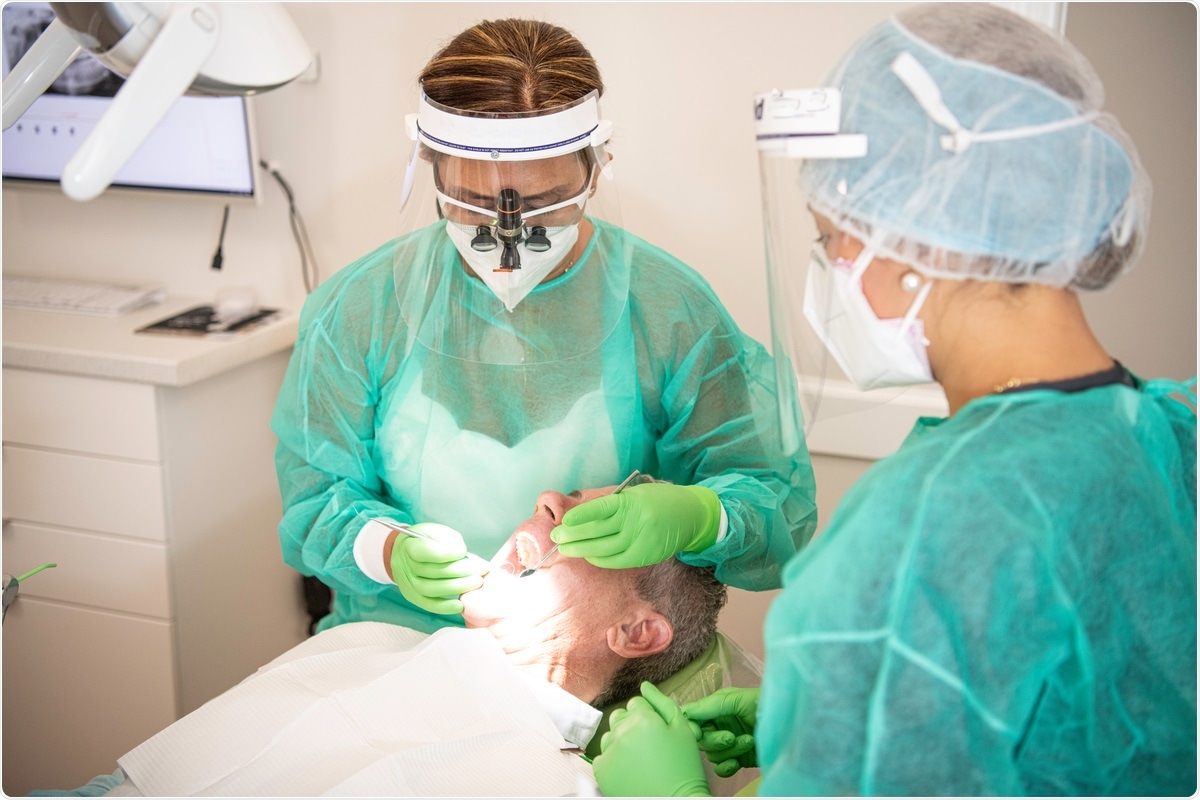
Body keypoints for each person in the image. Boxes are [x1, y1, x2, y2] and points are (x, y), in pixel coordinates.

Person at [592, 4, 1197, 796]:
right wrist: (815, 719)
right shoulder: (1169, 432)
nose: (828, 270)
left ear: (925, 238)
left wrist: (670, 794)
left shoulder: (929, 526)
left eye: (832, 237)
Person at [271, 18, 817, 635]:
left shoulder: (667, 309)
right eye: (476, 203)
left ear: (596, 167)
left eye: (543, 204)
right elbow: (316, 498)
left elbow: (771, 503)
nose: (508, 239)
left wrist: (699, 516)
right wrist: (386, 549)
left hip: (591, 655)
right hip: (394, 644)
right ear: (431, 165)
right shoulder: (359, 309)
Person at [34, 482, 730, 797]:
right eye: (569, 494)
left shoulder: (557, 784)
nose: (550, 499)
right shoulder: (366, 641)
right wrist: (381, 545)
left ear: (636, 631)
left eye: (601, 521)